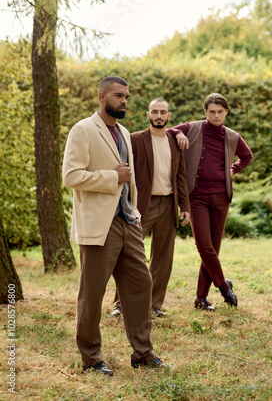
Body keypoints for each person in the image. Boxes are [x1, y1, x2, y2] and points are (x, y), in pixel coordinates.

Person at [62, 76, 165, 377]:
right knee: (92, 293)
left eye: (127, 97)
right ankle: (91, 358)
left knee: (140, 284)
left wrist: (132, 211)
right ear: (101, 96)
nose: (124, 101)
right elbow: (71, 176)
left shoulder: (123, 131)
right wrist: (111, 177)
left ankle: (143, 353)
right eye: (119, 96)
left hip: (126, 221)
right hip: (98, 224)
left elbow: (128, 178)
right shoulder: (82, 130)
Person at [168, 93, 253, 311]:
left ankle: (201, 298)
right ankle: (224, 287)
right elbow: (169, 131)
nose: (216, 115)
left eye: (220, 111)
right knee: (204, 246)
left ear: (226, 112)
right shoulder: (193, 127)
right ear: (205, 111)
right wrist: (178, 134)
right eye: (212, 111)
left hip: (221, 198)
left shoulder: (233, 136)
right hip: (196, 196)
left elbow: (247, 156)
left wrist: (233, 169)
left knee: (213, 248)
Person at [112, 98, 191, 318]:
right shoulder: (135, 139)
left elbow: (181, 175)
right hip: (141, 205)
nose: (158, 115)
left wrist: (185, 205)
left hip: (168, 204)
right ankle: (120, 304)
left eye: (162, 112)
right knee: (130, 254)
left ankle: (154, 304)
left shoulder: (177, 142)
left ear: (169, 116)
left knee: (163, 258)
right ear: (148, 115)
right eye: (154, 111)